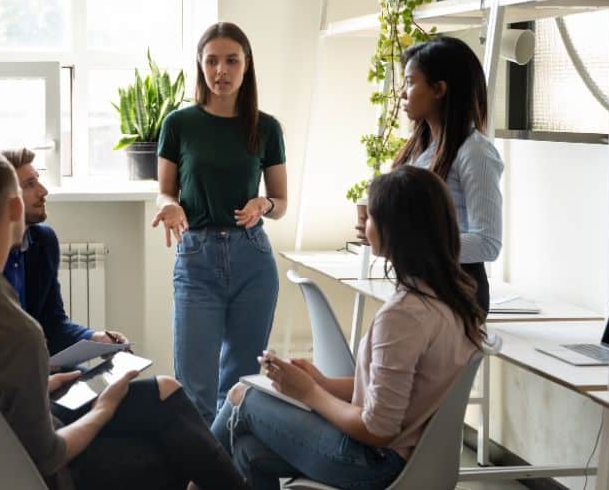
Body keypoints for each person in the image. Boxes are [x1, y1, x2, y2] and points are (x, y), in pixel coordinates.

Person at [0, 148, 248, 490]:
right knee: (169, 451)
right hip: (17, 472)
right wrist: (102, 410)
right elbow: (47, 456)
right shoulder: (17, 329)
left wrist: (41, 385)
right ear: (14, 209)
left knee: (166, 393)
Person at [212, 166, 485, 490]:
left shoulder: (404, 316)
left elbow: (378, 429)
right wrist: (322, 382)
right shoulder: (449, 298)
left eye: (369, 215)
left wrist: (309, 393)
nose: (361, 222)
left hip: (375, 463)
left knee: (243, 396)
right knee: (249, 450)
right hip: (403, 457)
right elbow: (396, 389)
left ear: (396, 230)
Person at [153, 22, 287, 424]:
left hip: (253, 260)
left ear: (246, 67)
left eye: (232, 61)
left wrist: (263, 203)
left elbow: (281, 202)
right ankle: (200, 475)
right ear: (200, 64)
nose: (221, 71)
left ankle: (224, 474)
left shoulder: (267, 127)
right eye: (212, 61)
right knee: (194, 388)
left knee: (240, 387)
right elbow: (165, 191)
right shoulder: (179, 124)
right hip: (197, 259)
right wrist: (170, 207)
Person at [356, 36, 503, 313]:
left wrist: (405, 241)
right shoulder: (421, 149)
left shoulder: (475, 153)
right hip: (421, 286)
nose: (402, 92)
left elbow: (487, 243)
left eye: (410, 82)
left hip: (456, 294)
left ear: (439, 89)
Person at [0, 148, 128, 356]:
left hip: (37, 370)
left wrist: (94, 338)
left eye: (38, 180)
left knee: (159, 384)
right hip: (1, 379)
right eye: (29, 185)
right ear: (6, 198)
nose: (43, 191)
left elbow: (53, 323)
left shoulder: (44, 241)